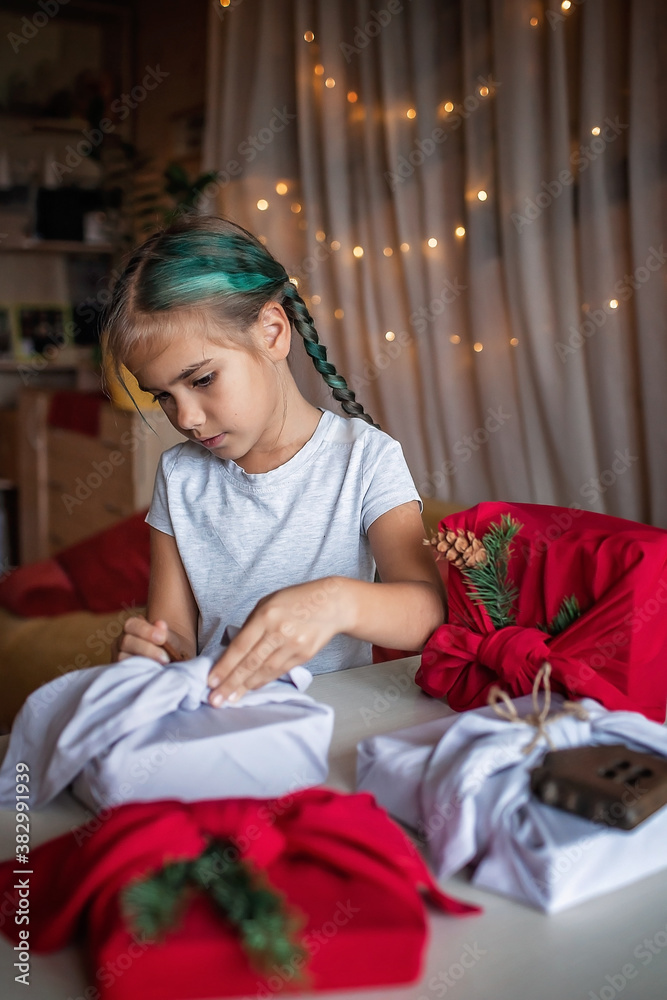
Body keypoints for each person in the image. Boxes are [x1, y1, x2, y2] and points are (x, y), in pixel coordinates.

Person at [103, 215, 446, 706]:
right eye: (163, 396)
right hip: (223, 729)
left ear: (271, 331)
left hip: (332, 729)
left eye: (201, 380)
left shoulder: (366, 459)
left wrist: (334, 600)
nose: (188, 418)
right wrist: (152, 655)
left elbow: (429, 613)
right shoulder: (179, 476)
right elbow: (175, 635)